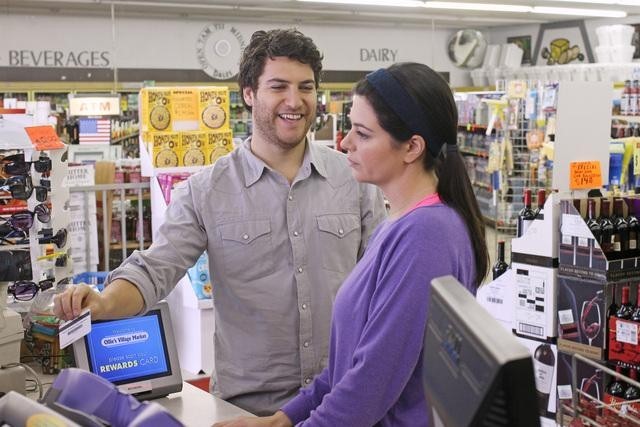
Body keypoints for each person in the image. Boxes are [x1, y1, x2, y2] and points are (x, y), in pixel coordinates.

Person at [53, 29, 386, 416]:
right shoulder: (206, 191)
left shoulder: (355, 180)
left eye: (305, 87)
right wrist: (104, 302)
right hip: (248, 410)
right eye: (278, 86)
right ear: (248, 94)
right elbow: (155, 268)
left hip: (342, 402)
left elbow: (382, 283)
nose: (294, 102)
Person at [214, 62, 489, 427]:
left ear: (411, 147)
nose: (344, 143)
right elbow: (349, 363)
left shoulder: (426, 235)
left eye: (362, 133)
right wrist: (281, 419)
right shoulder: (397, 225)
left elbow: (370, 386)